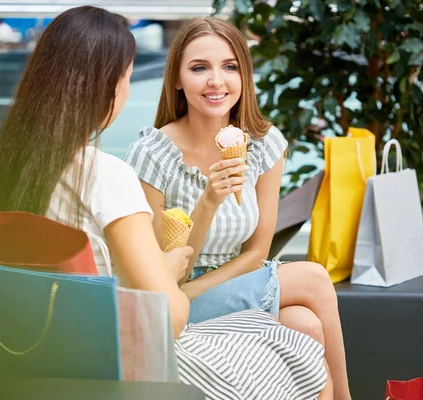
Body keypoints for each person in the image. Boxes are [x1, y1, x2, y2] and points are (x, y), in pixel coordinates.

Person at [0, 7, 329, 400]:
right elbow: (167, 315)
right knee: (303, 356)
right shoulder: (109, 176)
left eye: (230, 66)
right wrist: (169, 265)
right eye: (127, 76)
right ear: (108, 85)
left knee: (302, 325)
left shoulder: (11, 169)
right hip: (120, 359)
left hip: (43, 354)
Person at [126, 17, 351, 399]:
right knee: (313, 278)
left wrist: (196, 289)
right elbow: (159, 270)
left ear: (244, 76)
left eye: (230, 67)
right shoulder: (151, 153)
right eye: (200, 68)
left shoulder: (264, 144)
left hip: (225, 282)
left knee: (307, 324)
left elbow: (257, 253)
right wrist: (208, 202)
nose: (217, 81)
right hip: (170, 298)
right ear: (178, 79)